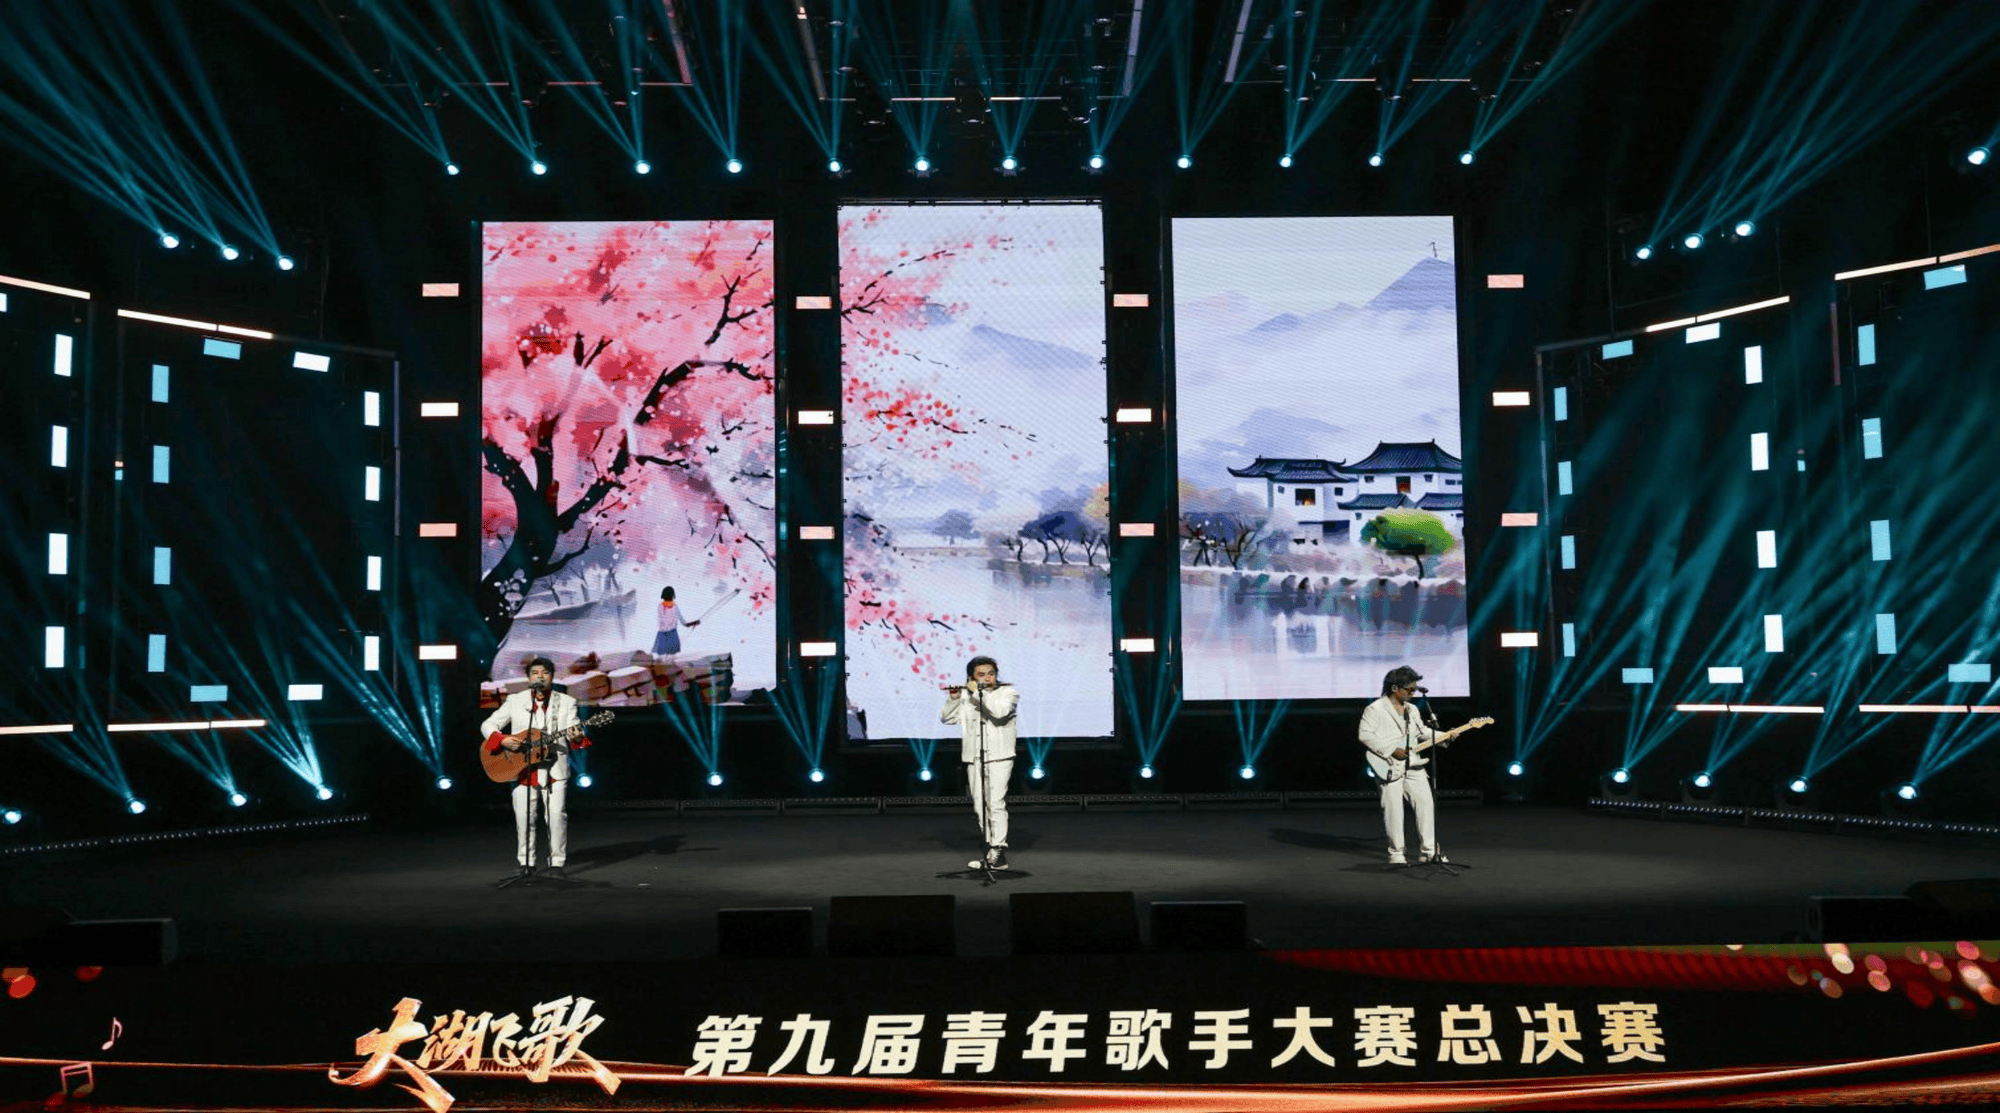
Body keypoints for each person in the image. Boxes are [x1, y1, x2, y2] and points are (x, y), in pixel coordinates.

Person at [481, 657, 591, 878]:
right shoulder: (515, 700)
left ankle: (556, 863)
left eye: (545, 673)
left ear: (552, 677)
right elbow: (488, 724)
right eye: (535, 673)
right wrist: (502, 739)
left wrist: (577, 735)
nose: (540, 676)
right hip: (522, 767)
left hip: (554, 768)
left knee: (556, 816)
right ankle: (526, 862)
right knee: (524, 817)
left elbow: (573, 729)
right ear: (529, 677)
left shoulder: (566, 701)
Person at [940, 656, 1019, 870]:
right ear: (971, 677)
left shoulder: (1008, 693)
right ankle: (993, 854)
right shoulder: (967, 696)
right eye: (981, 674)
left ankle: (999, 849)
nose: (987, 678)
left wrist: (976, 693)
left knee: (995, 803)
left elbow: (1000, 712)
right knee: (980, 806)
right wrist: (954, 698)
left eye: (991, 673)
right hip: (974, 756)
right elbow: (947, 719)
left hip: (999, 755)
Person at [1358, 665, 1439, 867]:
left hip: (1414, 765)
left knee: (1426, 806)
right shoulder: (1375, 709)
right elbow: (1365, 735)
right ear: (1395, 688)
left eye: (1415, 689)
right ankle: (1396, 853)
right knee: (1394, 811)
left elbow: (1422, 732)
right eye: (1410, 689)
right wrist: (1391, 749)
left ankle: (1429, 851)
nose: (1413, 693)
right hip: (1389, 765)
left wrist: (1445, 736)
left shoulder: (1412, 709)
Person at [652, 586, 700, 657]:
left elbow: (683, 621)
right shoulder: (661, 607)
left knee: (669, 656)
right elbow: (663, 620)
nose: (668, 599)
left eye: (669, 597)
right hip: (665, 633)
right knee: (663, 656)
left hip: (669, 633)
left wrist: (692, 623)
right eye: (667, 597)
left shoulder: (674, 607)